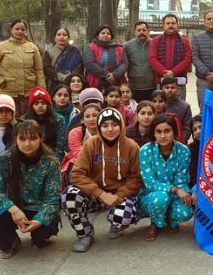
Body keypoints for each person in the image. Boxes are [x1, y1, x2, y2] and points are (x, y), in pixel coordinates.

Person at [62, 108, 142, 252]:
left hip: (118, 196)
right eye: (105, 126)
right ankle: (84, 233)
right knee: (69, 196)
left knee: (122, 217)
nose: (110, 129)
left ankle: (117, 224)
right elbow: (76, 174)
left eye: (114, 124)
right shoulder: (91, 144)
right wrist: (100, 193)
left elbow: (135, 178)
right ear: (99, 127)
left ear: (121, 125)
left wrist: (118, 196)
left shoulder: (131, 146)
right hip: (95, 195)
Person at [0, 120, 60, 258]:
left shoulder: (51, 162)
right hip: (14, 207)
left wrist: (39, 220)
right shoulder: (5, 159)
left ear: (41, 139)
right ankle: (11, 240)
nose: (27, 143)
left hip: (38, 209)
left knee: (40, 238)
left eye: (33, 138)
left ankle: (39, 236)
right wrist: (14, 210)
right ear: (16, 139)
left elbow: (52, 199)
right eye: (22, 139)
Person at [138, 114, 195, 241]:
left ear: (174, 132)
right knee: (160, 198)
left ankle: (170, 218)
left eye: (167, 131)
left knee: (186, 211)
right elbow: (150, 183)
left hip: (174, 195)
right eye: (158, 132)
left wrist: (184, 193)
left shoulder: (183, 151)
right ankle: (155, 223)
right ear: (153, 133)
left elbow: (182, 180)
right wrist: (175, 190)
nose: (163, 136)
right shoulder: (145, 151)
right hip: (151, 196)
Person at [0, 20, 46, 117]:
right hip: (7, 92)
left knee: (28, 122)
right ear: (11, 30)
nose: (20, 31)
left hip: (28, 93)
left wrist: (42, 90)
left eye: (22, 29)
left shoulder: (33, 48)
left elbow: (39, 70)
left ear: (25, 31)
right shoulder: (1, 47)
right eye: (17, 29)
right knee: (8, 121)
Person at [149, 14, 192, 101]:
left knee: (180, 106)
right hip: (162, 81)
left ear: (177, 24)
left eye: (173, 23)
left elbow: (187, 59)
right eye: (168, 23)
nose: (170, 25)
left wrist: (173, 72)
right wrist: (165, 73)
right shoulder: (156, 40)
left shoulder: (184, 41)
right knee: (161, 105)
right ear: (163, 25)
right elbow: (152, 59)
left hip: (179, 82)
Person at [61, 104, 102, 186]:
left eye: (95, 115)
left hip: (103, 163)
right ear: (82, 120)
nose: (91, 119)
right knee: (73, 165)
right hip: (80, 163)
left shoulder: (107, 131)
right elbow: (78, 154)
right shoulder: (75, 132)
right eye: (87, 116)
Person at [21, 87, 66, 159]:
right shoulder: (24, 120)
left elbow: (60, 146)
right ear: (32, 106)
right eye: (36, 103)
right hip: (29, 156)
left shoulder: (59, 119)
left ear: (48, 105)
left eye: (43, 103)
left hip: (52, 157)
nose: (40, 106)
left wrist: (53, 161)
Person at [83, 25, 129, 90]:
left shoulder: (119, 48)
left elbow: (125, 63)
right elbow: (89, 64)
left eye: (108, 33)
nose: (106, 35)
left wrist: (115, 75)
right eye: (103, 33)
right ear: (97, 36)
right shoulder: (90, 47)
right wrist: (107, 75)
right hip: (96, 82)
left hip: (117, 81)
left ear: (111, 37)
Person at [42, 27, 83, 94]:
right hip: (54, 84)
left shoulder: (75, 51)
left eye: (64, 35)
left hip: (72, 83)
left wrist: (69, 77)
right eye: (59, 35)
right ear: (55, 38)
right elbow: (46, 68)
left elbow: (79, 67)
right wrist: (60, 76)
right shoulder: (49, 52)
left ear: (68, 38)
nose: (62, 37)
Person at [124, 21, 156, 102]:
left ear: (148, 31)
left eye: (144, 30)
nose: (141, 32)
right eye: (139, 30)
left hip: (153, 86)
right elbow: (124, 64)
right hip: (134, 87)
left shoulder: (155, 44)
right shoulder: (127, 46)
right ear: (134, 32)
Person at [161, 77, 192, 141]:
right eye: (167, 87)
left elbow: (187, 129)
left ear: (177, 88)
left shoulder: (185, 107)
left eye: (173, 87)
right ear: (162, 88)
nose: (170, 90)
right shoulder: (157, 105)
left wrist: (177, 141)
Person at [188, 114, 202, 188]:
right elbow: (192, 175)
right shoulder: (191, 149)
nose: (198, 132)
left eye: (200, 127)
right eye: (194, 129)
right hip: (198, 184)